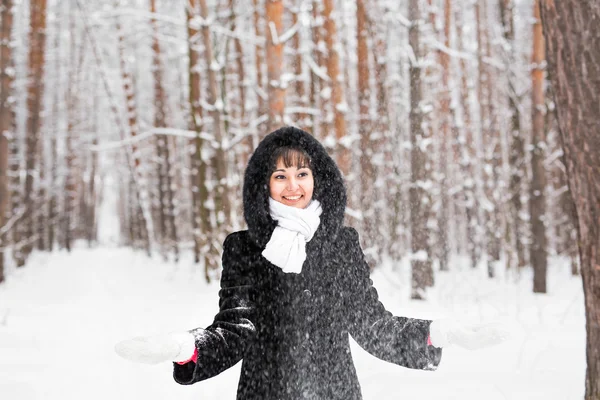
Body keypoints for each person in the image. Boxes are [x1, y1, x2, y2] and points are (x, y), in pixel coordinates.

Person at [115, 126, 507, 399]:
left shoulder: (341, 244)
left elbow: (371, 323)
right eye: (280, 176)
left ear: (318, 179)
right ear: (263, 184)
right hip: (264, 393)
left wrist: (435, 334)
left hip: (334, 392)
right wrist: (188, 348)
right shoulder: (244, 247)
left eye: (302, 173)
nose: (293, 186)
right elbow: (236, 328)